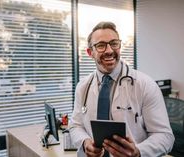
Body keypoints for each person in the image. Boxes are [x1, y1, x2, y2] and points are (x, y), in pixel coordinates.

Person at [68, 21, 174, 157]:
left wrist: (139, 151)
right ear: (90, 52)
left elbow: (165, 136)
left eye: (114, 43)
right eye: (101, 45)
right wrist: (85, 142)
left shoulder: (145, 85)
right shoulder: (83, 87)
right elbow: (76, 125)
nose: (109, 50)